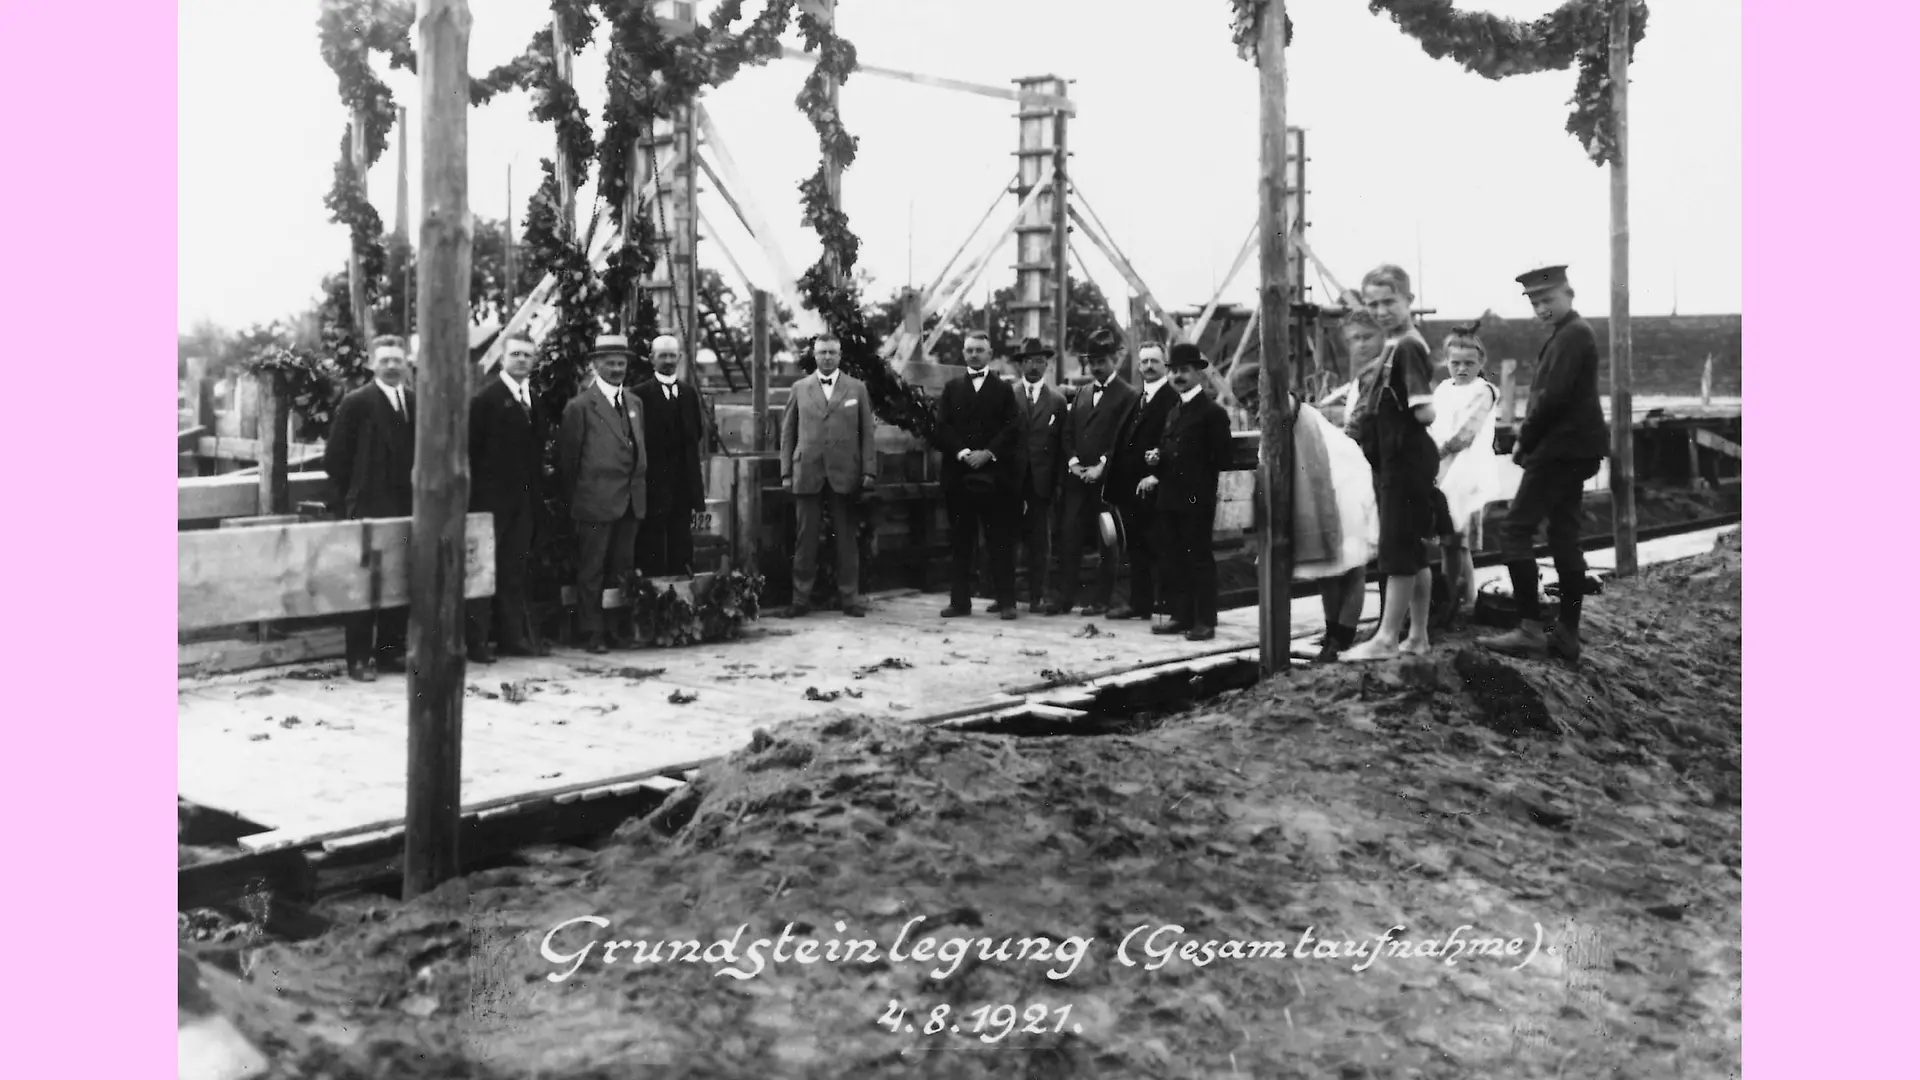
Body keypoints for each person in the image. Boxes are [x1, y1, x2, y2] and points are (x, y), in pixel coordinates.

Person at [1480, 265, 1609, 662]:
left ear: (1569, 294)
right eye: (1535, 302)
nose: (1542, 308)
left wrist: (1523, 441)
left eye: (1547, 300)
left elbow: (1550, 399)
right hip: (1574, 450)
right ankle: (1566, 633)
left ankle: (1531, 630)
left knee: (1515, 531)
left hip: (1557, 451)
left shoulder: (1571, 336)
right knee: (1563, 535)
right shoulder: (1571, 334)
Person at [1340, 265, 1441, 661]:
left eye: (1389, 302)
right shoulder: (1397, 343)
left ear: (1408, 301)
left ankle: (1386, 637)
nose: (1381, 310)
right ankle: (1417, 636)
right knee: (1413, 552)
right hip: (1400, 460)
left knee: (1397, 549)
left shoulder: (1406, 347)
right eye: (1373, 303)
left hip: (1403, 460)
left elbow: (1425, 412)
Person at [324, 335, 416, 681]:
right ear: (372, 364)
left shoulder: (413, 401)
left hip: (406, 507)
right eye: (385, 360)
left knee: (399, 581)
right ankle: (358, 659)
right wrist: (357, 494)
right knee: (365, 585)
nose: (392, 366)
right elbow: (335, 459)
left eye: (398, 359)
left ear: (406, 363)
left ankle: (390, 653)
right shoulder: (357, 402)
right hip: (368, 508)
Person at [557, 334, 648, 653]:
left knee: (622, 569)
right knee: (592, 569)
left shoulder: (635, 403)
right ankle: (591, 631)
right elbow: (567, 462)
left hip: (629, 501)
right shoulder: (580, 407)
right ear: (595, 365)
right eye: (609, 362)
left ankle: (617, 628)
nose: (616, 368)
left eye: (621, 363)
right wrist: (579, 499)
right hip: (594, 502)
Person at [1136, 343, 1233, 641]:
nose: (1178, 376)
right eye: (1175, 371)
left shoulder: (1212, 413)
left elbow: (1221, 459)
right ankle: (1181, 615)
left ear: (1198, 374)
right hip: (1170, 497)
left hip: (1196, 498)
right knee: (1173, 557)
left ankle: (1205, 621)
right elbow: (1171, 450)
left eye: (1184, 371)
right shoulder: (1174, 411)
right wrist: (1157, 460)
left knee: (1198, 558)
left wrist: (1179, 466)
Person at [465, 331, 548, 662]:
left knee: (514, 571)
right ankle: (477, 642)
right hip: (489, 504)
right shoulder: (484, 401)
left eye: (528, 355)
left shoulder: (535, 400)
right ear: (502, 357)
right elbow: (471, 453)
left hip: (523, 503)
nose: (522, 360)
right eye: (515, 354)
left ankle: (513, 638)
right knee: (483, 575)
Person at [780, 333, 876, 618]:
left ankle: (850, 598)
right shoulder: (800, 388)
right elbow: (788, 433)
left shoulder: (856, 389)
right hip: (807, 470)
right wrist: (786, 472)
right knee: (804, 538)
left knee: (846, 538)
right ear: (814, 354)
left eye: (832, 352)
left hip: (845, 472)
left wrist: (869, 469)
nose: (827, 357)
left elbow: (868, 433)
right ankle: (800, 599)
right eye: (822, 352)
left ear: (840, 354)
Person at [1051, 328, 1139, 616]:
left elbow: (1124, 438)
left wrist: (1103, 465)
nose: (1097, 367)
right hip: (1078, 481)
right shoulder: (1083, 394)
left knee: (1108, 540)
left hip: (1106, 482)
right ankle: (1064, 598)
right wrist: (1074, 463)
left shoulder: (1127, 395)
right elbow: (1068, 433)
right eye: (1093, 362)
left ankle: (1102, 600)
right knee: (1069, 537)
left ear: (1113, 359)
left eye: (1102, 361)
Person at [935, 331, 1022, 619]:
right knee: (961, 541)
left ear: (990, 353)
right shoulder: (951, 389)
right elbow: (942, 427)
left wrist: (987, 453)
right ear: (963, 354)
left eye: (979, 350)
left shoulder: (1003, 390)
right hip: (959, 477)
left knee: (1000, 540)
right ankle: (960, 602)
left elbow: (1012, 428)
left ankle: (1006, 601)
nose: (974, 354)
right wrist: (962, 452)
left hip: (995, 478)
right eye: (969, 350)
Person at [1430, 323, 1502, 620]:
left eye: (1469, 364)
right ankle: (1456, 595)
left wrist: (1434, 454)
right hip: (1443, 470)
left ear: (1481, 363)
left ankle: (1465, 596)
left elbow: (1466, 433)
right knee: (1449, 540)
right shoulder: (1443, 389)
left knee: (1459, 539)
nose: (1461, 369)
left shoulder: (1484, 391)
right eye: (1455, 363)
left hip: (1467, 469)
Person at [1104, 342, 1179, 621]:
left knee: (1160, 546)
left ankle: (1167, 605)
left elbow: (1172, 442)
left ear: (1165, 366)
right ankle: (1140, 603)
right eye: (1144, 361)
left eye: (1154, 362)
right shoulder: (1137, 398)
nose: (1148, 366)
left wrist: (1157, 475)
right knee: (1136, 548)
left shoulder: (1172, 399)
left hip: (1155, 486)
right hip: (1130, 489)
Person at [635, 334, 705, 578]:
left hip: (683, 485)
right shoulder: (639, 395)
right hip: (652, 485)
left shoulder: (689, 394)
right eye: (662, 355)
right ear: (651, 358)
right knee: (652, 545)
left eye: (671, 355)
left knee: (681, 544)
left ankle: (681, 602)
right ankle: (654, 603)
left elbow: (695, 436)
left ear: (680, 358)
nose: (667, 360)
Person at [1009, 337, 1068, 613]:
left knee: (1040, 542)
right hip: (1013, 481)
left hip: (1042, 483)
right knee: (1006, 539)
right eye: (1029, 361)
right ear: (1021, 364)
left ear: (1047, 364)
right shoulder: (1008, 395)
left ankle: (1037, 595)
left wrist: (1056, 486)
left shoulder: (1056, 401)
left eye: (1040, 361)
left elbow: (1061, 447)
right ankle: (1004, 595)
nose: (1034, 366)